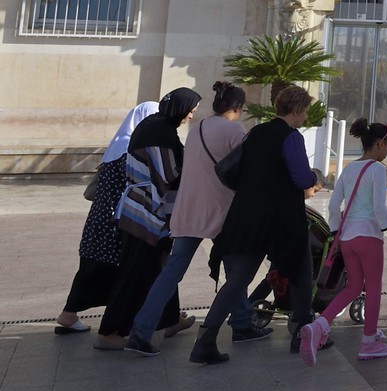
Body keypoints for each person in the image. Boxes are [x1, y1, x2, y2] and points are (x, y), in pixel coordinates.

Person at [124, 82, 261, 357]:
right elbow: (248, 170)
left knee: (172, 272)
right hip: (222, 210)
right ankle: (242, 324)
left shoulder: (198, 128)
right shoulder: (235, 130)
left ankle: (141, 331)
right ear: (237, 107)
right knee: (235, 271)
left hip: (189, 208)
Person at [190, 85, 320, 365]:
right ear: (297, 110)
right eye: (305, 111)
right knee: (301, 270)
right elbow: (301, 178)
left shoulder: (257, 132)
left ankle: (205, 340)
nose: (305, 116)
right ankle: (302, 334)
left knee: (238, 279)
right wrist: (314, 178)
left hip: (247, 217)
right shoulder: (291, 137)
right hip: (281, 219)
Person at [96, 87, 202, 350]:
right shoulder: (159, 132)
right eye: (190, 110)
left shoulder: (158, 126)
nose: (191, 116)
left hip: (149, 210)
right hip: (144, 213)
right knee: (135, 271)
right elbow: (168, 174)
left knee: (160, 267)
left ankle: (168, 320)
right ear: (179, 108)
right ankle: (110, 332)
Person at [301, 119, 387, 366]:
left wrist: (336, 233)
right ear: (380, 144)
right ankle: (369, 342)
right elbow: (379, 208)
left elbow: (333, 205)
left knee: (353, 287)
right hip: (369, 236)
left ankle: (319, 325)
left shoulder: (348, 169)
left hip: (347, 238)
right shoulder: (378, 170)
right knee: (373, 287)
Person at [57, 101, 159, 334]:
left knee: (94, 268)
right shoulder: (131, 147)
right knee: (108, 269)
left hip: (101, 217)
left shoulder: (118, 144)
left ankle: (69, 314)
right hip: (116, 220)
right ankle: (72, 316)